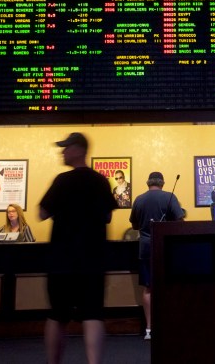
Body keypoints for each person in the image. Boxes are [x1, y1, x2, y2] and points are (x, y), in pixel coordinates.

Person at [38, 132, 117, 364]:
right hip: (92, 259)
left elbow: (42, 213)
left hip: (61, 259)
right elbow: (107, 217)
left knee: (57, 315)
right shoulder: (101, 181)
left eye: (66, 147)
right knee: (92, 313)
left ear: (80, 149)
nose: (62, 152)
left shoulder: (62, 180)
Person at [129, 171, 185, 341]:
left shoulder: (139, 199)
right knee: (170, 286)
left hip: (146, 248)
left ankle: (149, 329)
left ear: (148, 183)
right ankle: (170, 324)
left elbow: (134, 224)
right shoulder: (169, 197)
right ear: (162, 183)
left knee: (148, 288)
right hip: (167, 247)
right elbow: (180, 221)